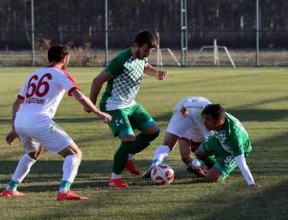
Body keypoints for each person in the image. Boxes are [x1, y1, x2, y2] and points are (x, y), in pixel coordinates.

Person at [1, 45, 112, 201]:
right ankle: (64, 191)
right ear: (65, 58)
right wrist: (99, 112)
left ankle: (11, 188)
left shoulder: (34, 74)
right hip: (38, 121)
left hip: (21, 120)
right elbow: (79, 97)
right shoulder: (61, 74)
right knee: (74, 153)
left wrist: (15, 129)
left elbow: (17, 104)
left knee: (34, 153)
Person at [87, 30, 167, 188]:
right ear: (135, 46)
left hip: (130, 104)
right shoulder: (121, 61)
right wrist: (91, 105)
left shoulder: (141, 57)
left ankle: (128, 156)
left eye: (150, 51)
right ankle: (114, 178)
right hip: (113, 105)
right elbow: (97, 81)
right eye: (146, 50)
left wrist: (156, 73)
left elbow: (145, 66)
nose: (148, 54)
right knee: (129, 139)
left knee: (153, 131)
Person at [143, 96, 214, 178]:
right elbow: (204, 104)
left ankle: (154, 166)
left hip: (183, 105)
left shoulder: (187, 131)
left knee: (167, 145)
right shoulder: (207, 120)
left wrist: (194, 165)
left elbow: (185, 157)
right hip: (191, 108)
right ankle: (211, 167)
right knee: (209, 147)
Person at [193, 104, 259, 187]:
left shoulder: (234, 136)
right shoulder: (217, 113)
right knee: (199, 153)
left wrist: (251, 183)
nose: (204, 122)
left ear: (219, 121)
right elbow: (201, 104)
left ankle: (221, 173)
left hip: (231, 152)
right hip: (219, 140)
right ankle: (214, 167)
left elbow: (241, 162)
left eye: (208, 119)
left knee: (210, 178)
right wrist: (183, 107)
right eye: (204, 118)